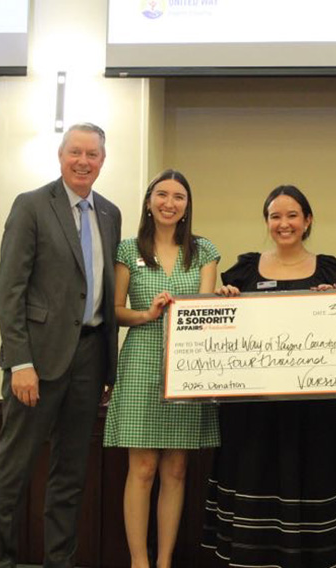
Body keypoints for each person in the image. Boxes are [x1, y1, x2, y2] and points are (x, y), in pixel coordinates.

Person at [0, 123, 121, 568]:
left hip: (90, 358)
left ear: (103, 161)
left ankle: (60, 561)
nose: (83, 161)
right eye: (75, 152)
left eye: (92, 154)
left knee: (71, 474)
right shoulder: (31, 206)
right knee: (14, 470)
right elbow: (10, 291)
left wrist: (108, 368)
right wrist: (20, 361)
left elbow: (103, 292)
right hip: (36, 362)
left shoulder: (110, 214)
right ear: (60, 156)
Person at [203, 185, 336, 568]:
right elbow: (222, 334)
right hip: (251, 412)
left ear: (307, 221)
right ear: (267, 222)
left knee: (312, 481)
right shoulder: (241, 272)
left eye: (292, 215)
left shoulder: (332, 273)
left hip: (313, 412)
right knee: (253, 479)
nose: (283, 223)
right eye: (275, 216)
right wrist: (224, 303)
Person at [104, 169, 220, 568]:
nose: (170, 203)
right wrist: (146, 314)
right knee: (143, 468)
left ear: (187, 206)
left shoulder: (204, 250)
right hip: (141, 359)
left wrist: (220, 300)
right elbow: (115, 311)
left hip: (187, 364)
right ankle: (139, 561)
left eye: (179, 197)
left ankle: (165, 560)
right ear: (149, 201)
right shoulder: (127, 249)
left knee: (176, 470)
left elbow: (206, 308)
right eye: (162, 195)